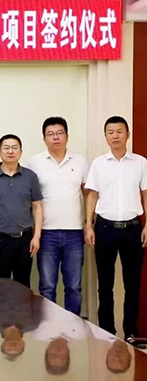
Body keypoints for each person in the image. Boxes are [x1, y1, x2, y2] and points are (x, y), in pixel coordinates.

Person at [84, 116, 147, 339]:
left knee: (132, 284)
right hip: (105, 228)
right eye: (110, 132)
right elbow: (92, 195)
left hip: (133, 229)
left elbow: (145, 194)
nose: (115, 136)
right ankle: (106, 333)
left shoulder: (140, 162)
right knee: (105, 284)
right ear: (106, 136)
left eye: (119, 131)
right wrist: (88, 225)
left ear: (127, 134)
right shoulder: (98, 164)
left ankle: (130, 333)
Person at [27, 117, 88, 315]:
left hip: (74, 233)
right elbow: (29, 198)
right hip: (46, 233)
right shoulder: (35, 162)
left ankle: (72, 327)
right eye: (50, 134)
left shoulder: (80, 161)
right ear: (44, 138)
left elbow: (88, 195)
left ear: (67, 136)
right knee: (47, 287)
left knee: (74, 287)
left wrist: (88, 224)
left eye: (60, 133)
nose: (55, 137)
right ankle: (49, 328)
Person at [0, 134, 43, 288]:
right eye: (6, 148)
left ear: (21, 152)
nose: (10, 151)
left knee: (23, 285)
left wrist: (37, 236)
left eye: (14, 148)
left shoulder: (30, 177)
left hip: (25, 239)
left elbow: (37, 206)